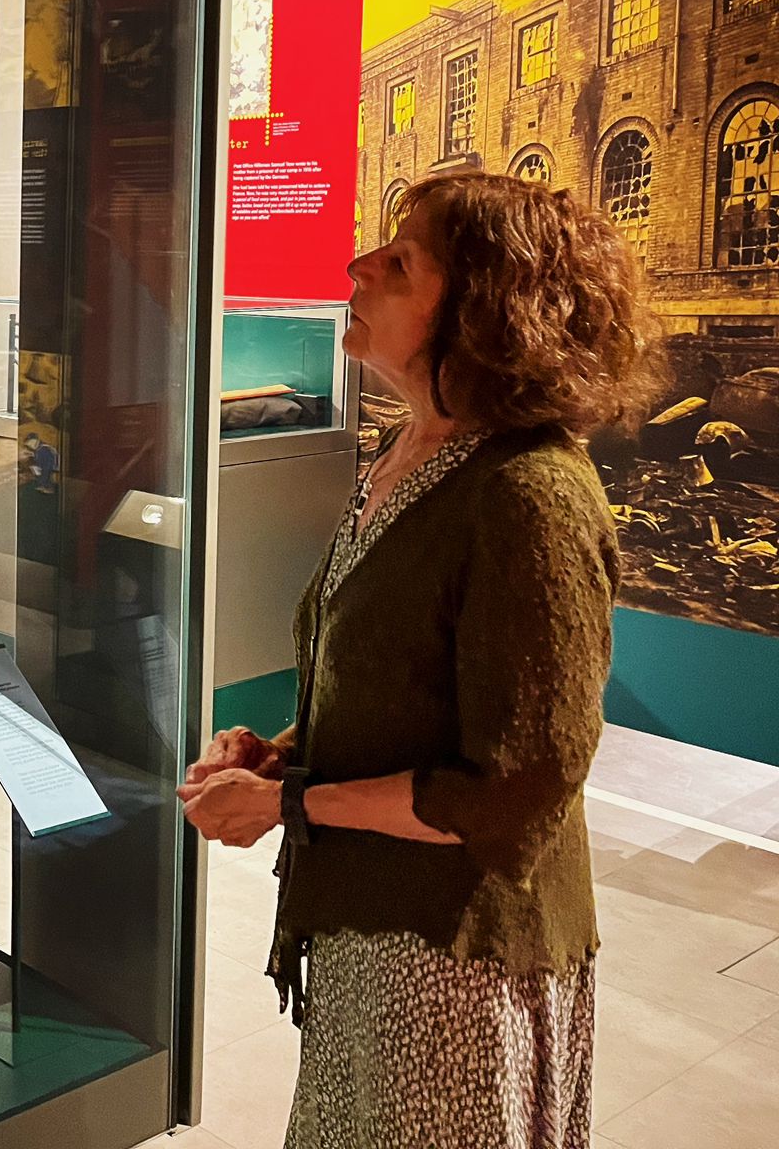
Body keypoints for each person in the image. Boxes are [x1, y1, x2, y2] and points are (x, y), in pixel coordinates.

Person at [179, 172, 660, 1149]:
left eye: (397, 262)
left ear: (482, 310)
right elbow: (402, 679)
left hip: (453, 967)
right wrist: (283, 754)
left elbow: (515, 789)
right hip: (373, 930)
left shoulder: (526, 497)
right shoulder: (412, 455)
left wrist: (286, 803)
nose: (355, 267)